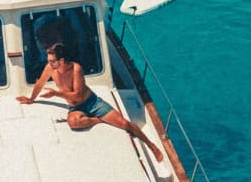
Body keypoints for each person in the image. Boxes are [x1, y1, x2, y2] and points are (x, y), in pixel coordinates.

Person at [16, 44, 164, 162]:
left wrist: (56, 93)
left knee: (125, 124)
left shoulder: (76, 69)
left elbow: (78, 95)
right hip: (76, 107)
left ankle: (151, 146)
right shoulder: (50, 68)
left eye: (52, 61)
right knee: (73, 123)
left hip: (92, 102)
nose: (48, 63)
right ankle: (99, 120)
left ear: (61, 61)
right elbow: (40, 83)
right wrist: (31, 99)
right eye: (48, 60)